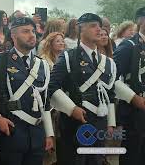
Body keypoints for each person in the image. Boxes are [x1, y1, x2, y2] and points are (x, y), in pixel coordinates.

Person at [49, 13, 145, 165]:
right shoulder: (68, 57)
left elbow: (110, 94)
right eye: (93, 26)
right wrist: (72, 109)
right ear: (80, 29)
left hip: (100, 122)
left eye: (100, 26)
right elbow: (52, 86)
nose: (99, 30)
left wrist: (111, 123)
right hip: (75, 123)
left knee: (96, 160)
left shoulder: (108, 63)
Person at [0, 17, 54, 165]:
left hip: (37, 135)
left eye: (33, 31)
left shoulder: (42, 65)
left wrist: (49, 133)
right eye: (25, 31)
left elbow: (45, 101)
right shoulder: (1, 61)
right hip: (10, 133)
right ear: (13, 35)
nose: (32, 35)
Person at [114, 7, 145, 165]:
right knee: (133, 155)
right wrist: (133, 98)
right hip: (135, 111)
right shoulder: (128, 46)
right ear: (140, 21)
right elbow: (111, 78)